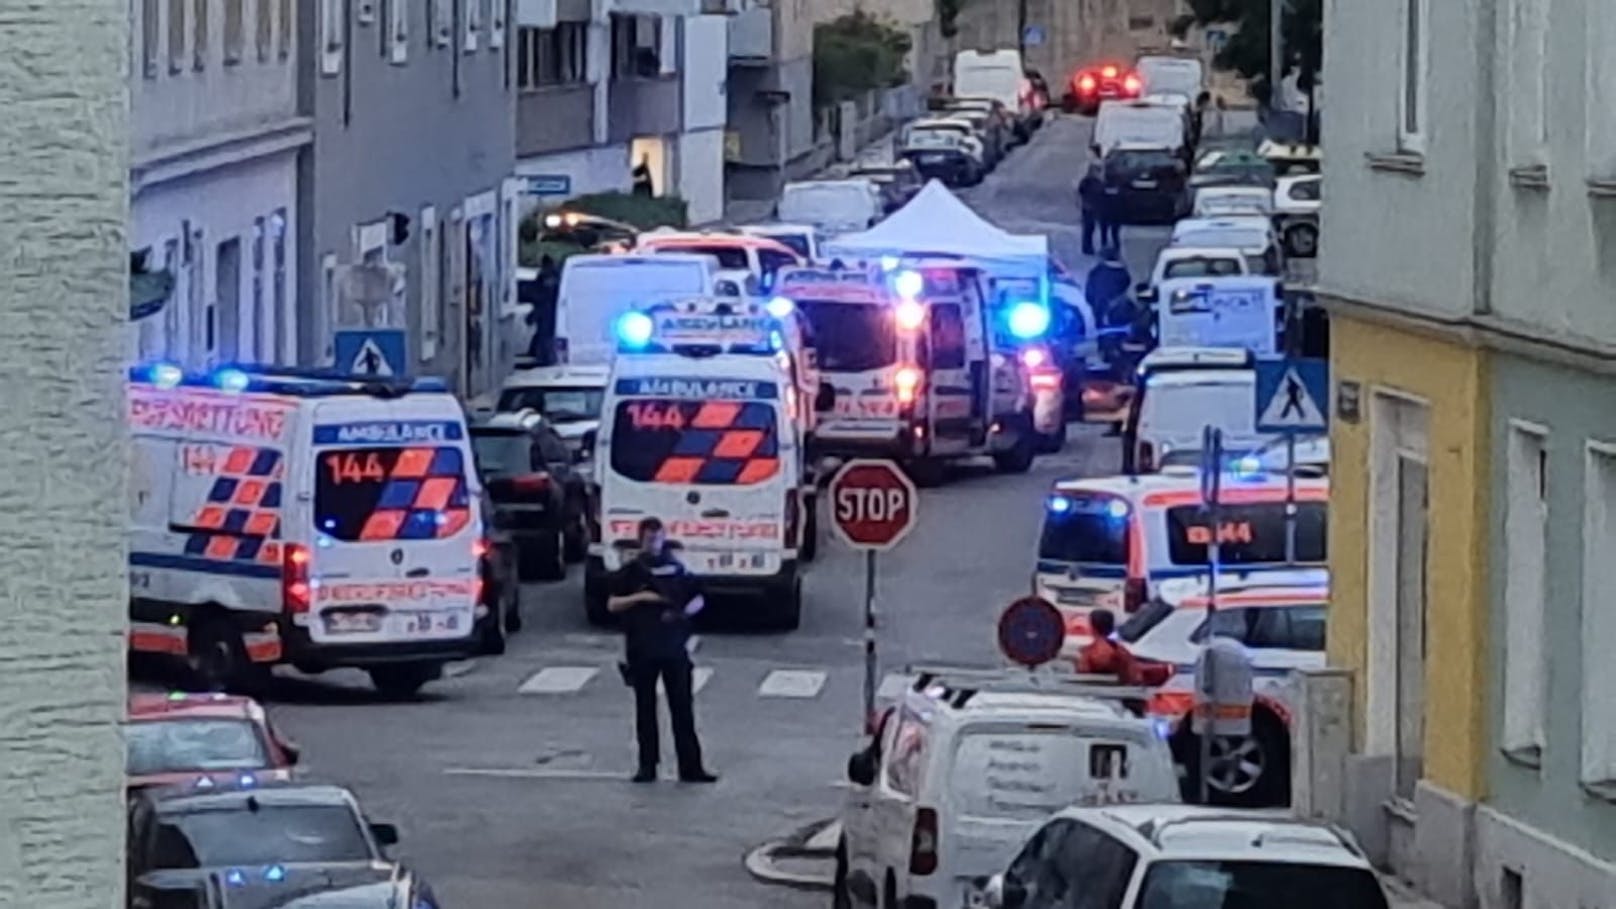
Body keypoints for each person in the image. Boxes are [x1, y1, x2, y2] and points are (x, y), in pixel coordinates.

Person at [608, 517, 718, 784]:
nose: (653, 543)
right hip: (642, 648)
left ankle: (691, 767)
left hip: (674, 647)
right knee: (645, 710)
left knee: (683, 709)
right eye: (648, 538)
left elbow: (698, 597)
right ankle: (647, 766)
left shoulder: (676, 568)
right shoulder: (632, 571)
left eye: (657, 538)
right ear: (641, 540)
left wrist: (683, 614)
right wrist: (642, 598)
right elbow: (612, 604)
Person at [1075, 609, 1172, 685]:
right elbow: (1134, 675)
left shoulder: (1090, 653)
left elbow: (1081, 676)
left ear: (1092, 627)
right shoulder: (1121, 650)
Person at [1077, 163, 1106, 256]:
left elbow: (1080, 191)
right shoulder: (1091, 182)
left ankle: (1088, 247)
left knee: (1090, 228)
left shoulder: (1089, 181)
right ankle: (1088, 247)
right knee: (1089, 228)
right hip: (1091, 207)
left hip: (1091, 207)